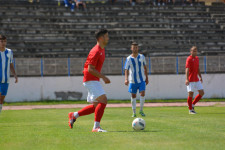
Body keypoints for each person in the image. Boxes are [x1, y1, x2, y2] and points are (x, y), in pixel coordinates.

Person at [68, 29, 110, 132]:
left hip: (92, 79)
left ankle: (74, 115)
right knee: (103, 100)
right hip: (90, 79)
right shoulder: (95, 51)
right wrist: (103, 77)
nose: (108, 38)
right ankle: (96, 127)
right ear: (101, 38)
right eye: (106, 36)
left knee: (96, 106)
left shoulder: (102, 49)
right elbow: (90, 69)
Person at [124, 42, 149, 117]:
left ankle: (141, 110)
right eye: (133, 47)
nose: (135, 49)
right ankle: (134, 112)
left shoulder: (142, 57)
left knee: (142, 93)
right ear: (131, 48)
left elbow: (145, 68)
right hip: (132, 80)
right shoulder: (128, 59)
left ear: (138, 48)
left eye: (136, 47)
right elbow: (126, 69)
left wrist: (147, 78)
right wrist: (126, 79)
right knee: (133, 95)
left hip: (141, 80)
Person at [0, 34, 18, 114]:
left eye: (4, 41)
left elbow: (11, 64)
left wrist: (15, 75)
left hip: (6, 80)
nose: (3, 43)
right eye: (1, 41)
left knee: (1, 99)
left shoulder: (9, 52)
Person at [185, 46, 204, 114]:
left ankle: (192, 104)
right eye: (193, 51)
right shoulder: (189, 59)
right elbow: (187, 69)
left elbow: (198, 68)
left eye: (196, 51)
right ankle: (190, 110)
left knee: (202, 93)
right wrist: (187, 79)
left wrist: (200, 76)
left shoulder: (197, 58)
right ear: (191, 52)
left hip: (196, 79)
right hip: (190, 80)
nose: (195, 52)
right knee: (191, 94)